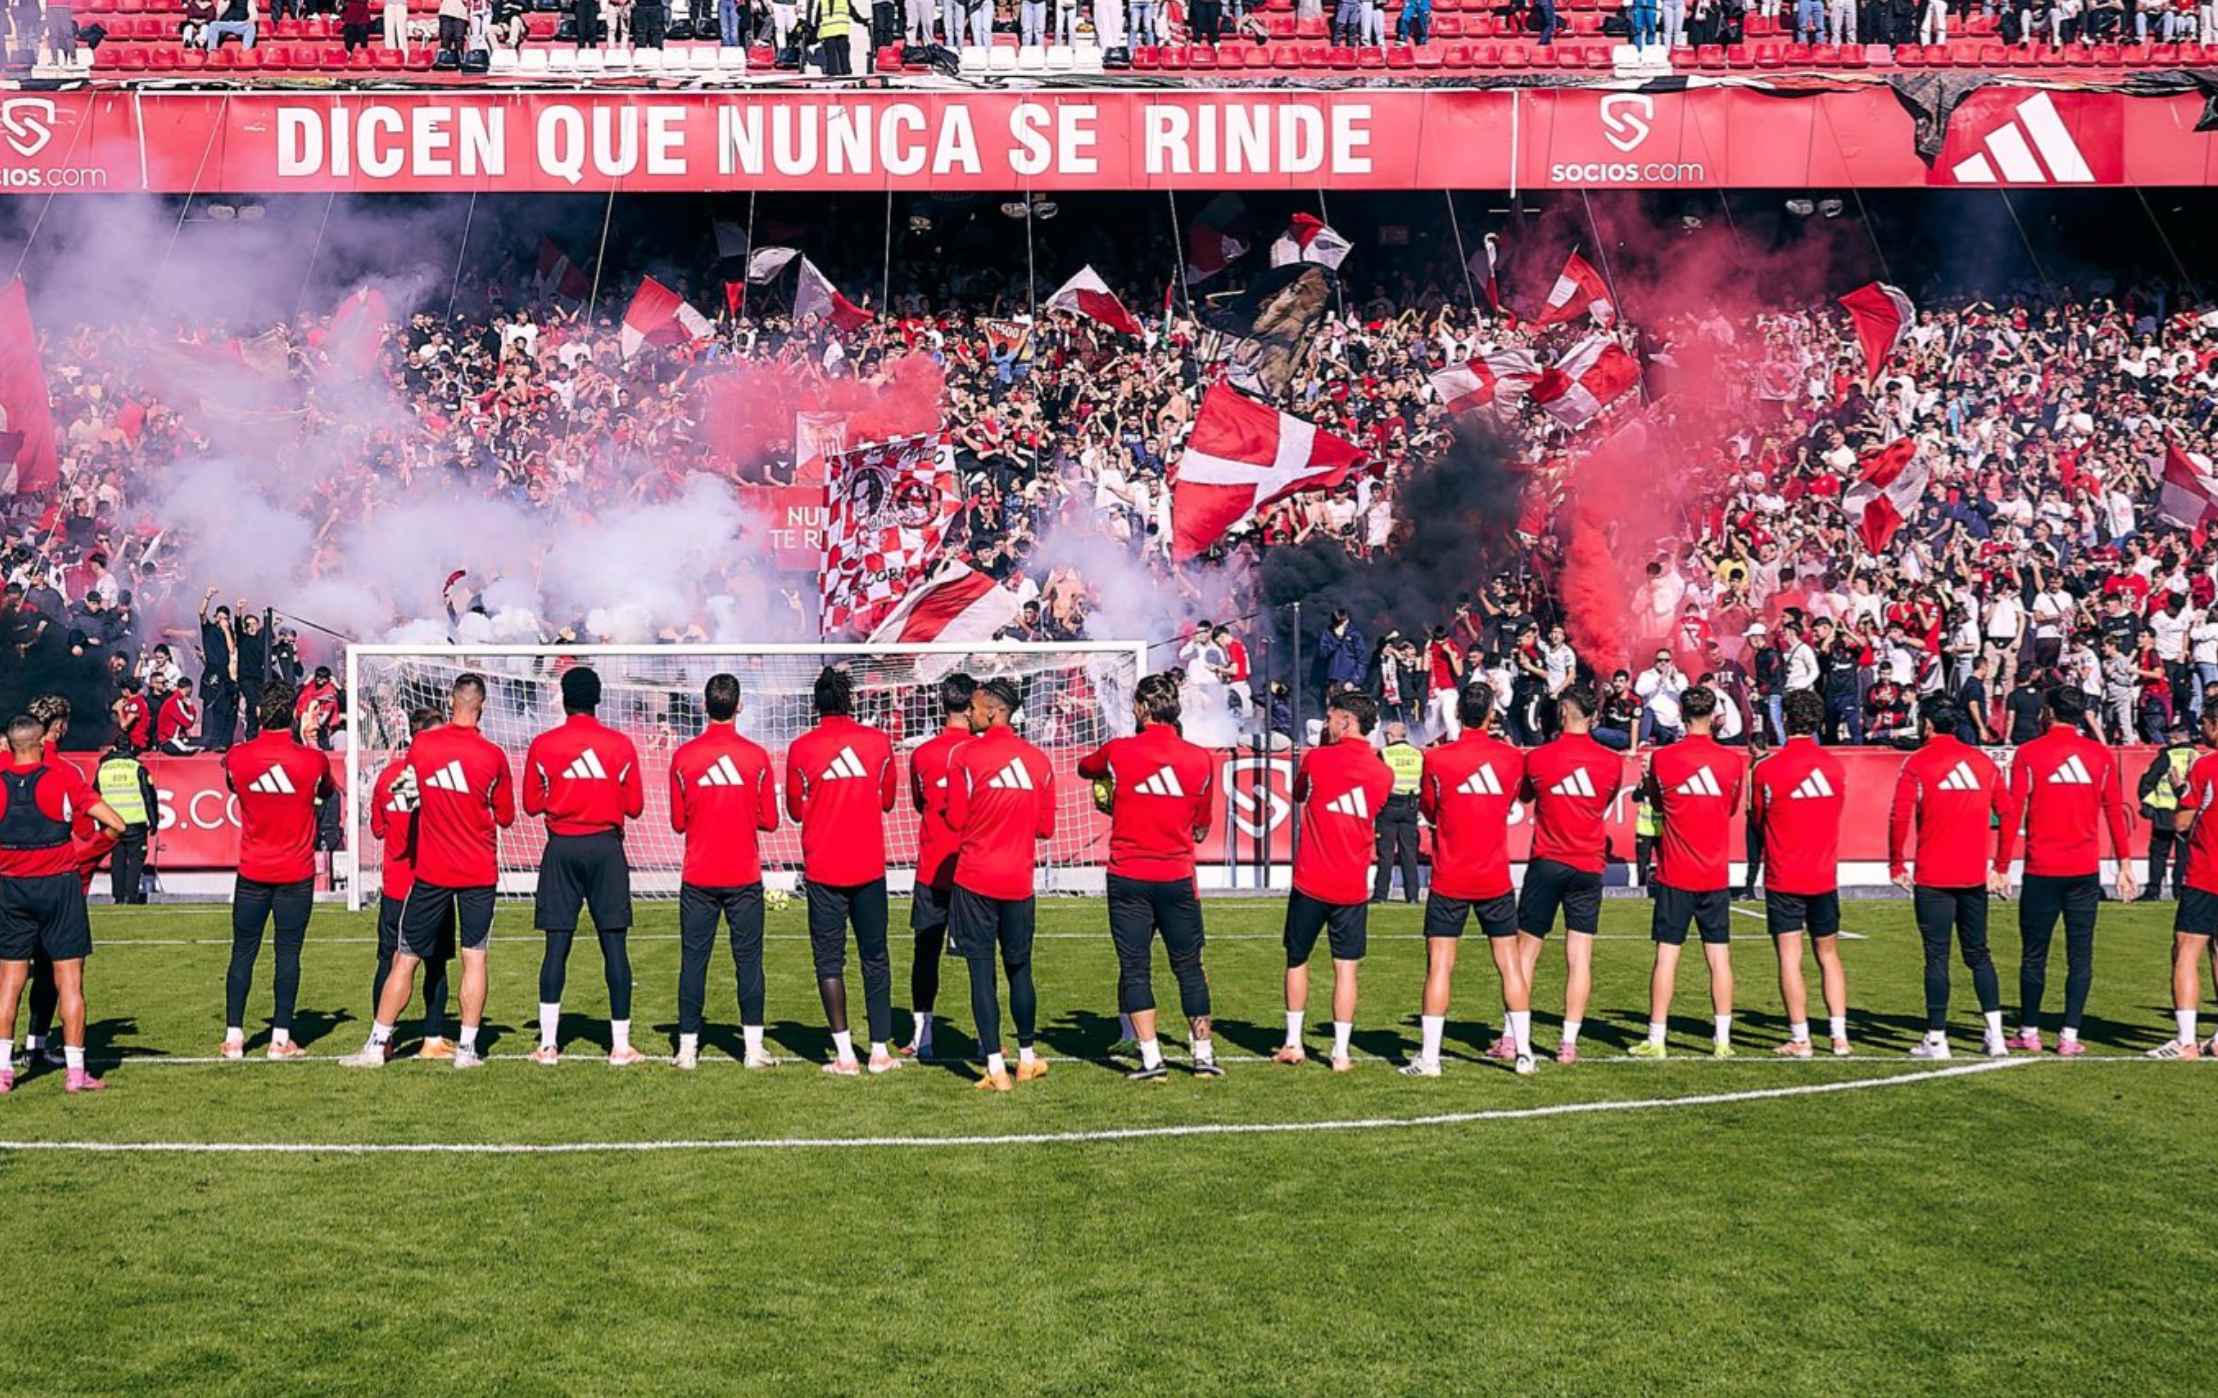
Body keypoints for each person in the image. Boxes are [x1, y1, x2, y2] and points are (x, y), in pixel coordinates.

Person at [341, 673, 516, 1071]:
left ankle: (377, 1044)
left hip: (432, 870)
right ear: (482, 706)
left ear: (451, 703)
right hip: (477, 871)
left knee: (406, 957)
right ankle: (467, 1050)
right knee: (475, 958)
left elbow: (401, 798)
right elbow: (505, 816)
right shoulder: (492, 755)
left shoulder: (422, 747)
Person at [1076, 673, 1219, 1081]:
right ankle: (1203, 1056)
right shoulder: (1199, 758)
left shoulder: (1120, 751)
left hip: (1129, 875)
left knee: (1135, 967)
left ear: (1140, 708)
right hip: (1176, 875)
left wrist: (1119, 794)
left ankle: (1152, 1059)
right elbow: (1201, 828)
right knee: (1189, 966)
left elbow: (1086, 767)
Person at [1997, 687, 2135, 1056]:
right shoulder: (2099, 755)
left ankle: (2029, 1030)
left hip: (2042, 869)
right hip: (2083, 871)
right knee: (2081, 954)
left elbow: (2012, 813)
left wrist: (2001, 865)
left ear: (2047, 712)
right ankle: (2069, 1035)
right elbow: (2114, 813)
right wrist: (2124, 864)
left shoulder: (2029, 753)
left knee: (2034, 953)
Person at [521, 667, 647, 1068]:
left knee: (556, 946)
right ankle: (621, 1046)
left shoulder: (544, 744)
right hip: (605, 848)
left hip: (561, 847)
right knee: (615, 946)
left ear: (563, 697)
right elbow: (635, 806)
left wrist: (565, 790)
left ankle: (549, 1045)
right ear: (598, 699)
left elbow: (530, 803)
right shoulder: (620, 745)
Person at [1403, 685, 1529, 1078]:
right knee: (1509, 965)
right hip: (1493, 875)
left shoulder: (1438, 759)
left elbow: (1428, 807)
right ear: (1491, 714)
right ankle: (1524, 1054)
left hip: (1451, 876)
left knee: (1440, 966)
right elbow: (1513, 800)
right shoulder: (1510, 758)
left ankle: (1430, 1058)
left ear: (1457, 715)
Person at [0, 715, 126, 1095]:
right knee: (69, 981)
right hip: (59, 887)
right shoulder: (63, 778)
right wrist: (85, 851)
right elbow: (116, 824)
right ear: (40, 744)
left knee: (9, 984)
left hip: (11, 888)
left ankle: (3, 1073)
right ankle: (75, 1073)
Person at [785, 666, 899, 1076]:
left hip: (823, 869)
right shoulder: (877, 742)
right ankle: (880, 1051)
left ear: (816, 704)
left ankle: (845, 1055)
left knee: (829, 961)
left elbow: (795, 810)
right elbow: (888, 801)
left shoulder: (801, 749)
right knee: (876, 957)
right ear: (849, 701)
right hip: (868, 866)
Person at [944, 677, 1056, 1092]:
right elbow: (1045, 827)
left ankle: (995, 1067)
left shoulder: (965, 756)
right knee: (1020, 968)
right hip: (1019, 882)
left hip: (975, 878)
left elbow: (954, 819)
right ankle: (1027, 1058)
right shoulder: (1039, 761)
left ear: (992, 711)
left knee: (980, 973)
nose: (968, 713)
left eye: (973, 706)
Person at [1274, 690, 1393, 1072]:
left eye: (1330, 718)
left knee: (1297, 958)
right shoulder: (1382, 771)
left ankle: (1294, 1042)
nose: (1325, 725)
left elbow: (1297, 795)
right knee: (1346, 968)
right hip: (1352, 884)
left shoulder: (1319, 759)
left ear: (1345, 721)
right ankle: (1341, 1052)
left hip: (1312, 878)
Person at [667, 673, 780, 1072]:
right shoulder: (756, 757)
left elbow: (678, 822)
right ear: (739, 706)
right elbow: (770, 821)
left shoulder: (683, 757)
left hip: (698, 875)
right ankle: (752, 1050)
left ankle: (686, 1049)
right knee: (749, 961)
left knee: (693, 961)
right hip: (743, 875)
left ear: (703, 706)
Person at [218, 685, 335, 1061]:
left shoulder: (238, 757)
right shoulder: (312, 761)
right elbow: (328, 791)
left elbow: (232, 781)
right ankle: (280, 1039)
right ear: (295, 716)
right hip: (295, 872)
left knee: (243, 951)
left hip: (253, 869)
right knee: (288, 953)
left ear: (257, 714)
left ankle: (234, 1037)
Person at [1629, 687, 1746, 1059]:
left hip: (1675, 873)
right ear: (1714, 715)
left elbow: (1659, 804)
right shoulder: (1731, 761)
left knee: (1666, 955)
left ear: (1681, 713)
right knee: (1719, 958)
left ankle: (1658, 1038)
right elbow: (1729, 808)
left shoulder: (1664, 759)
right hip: (1713, 873)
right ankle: (1723, 1040)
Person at [1888, 698, 2009, 1060]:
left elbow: (1899, 817)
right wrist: (2001, 866)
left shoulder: (1918, 763)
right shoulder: (1982, 762)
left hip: (1934, 875)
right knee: (1979, 954)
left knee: (1936, 956)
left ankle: (1937, 1039)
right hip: (1974, 875)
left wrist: (1896, 863)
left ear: (1927, 725)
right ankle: (1997, 1036)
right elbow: (2008, 810)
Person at [1511, 683, 1623, 1064]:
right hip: (1588, 863)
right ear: (1593, 717)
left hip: (1548, 860)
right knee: (1580, 956)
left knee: (1525, 952)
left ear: (1561, 714)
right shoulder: (1611, 762)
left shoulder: (1540, 757)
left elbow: (1526, 797)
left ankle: (1512, 1037)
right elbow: (1606, 800)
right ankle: (1568, 1043)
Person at [1748, 690, 1851, 1057]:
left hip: (1784, 874)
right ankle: (1839, 1036)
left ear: (1785, 721)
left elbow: (1758, 818)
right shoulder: (1834, 767)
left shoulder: (1768, 769)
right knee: (1829, 954)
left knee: (1789, 958)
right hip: (1823, 875)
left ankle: (1800, 1037)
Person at [366, 706, 454, 1061]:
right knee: (435, 963)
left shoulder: (388, 776)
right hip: (433, 882)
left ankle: (382, 1037)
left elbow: (378, 828)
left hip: (395, 885)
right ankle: (432, 1037)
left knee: (388, 960)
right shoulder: (442, 777)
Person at [904, 673, 974, 1062]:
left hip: (933, 867)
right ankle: (986, 1040)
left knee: (925, 953)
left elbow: (919, 802)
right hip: (971, 869)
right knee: (982, 957)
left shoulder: (922, 754)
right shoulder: (981, 752)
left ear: (940, 704)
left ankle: (923, 1036)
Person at [2149, 705, 2218, 1060]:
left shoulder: (2205, 766)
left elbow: (2183, 822)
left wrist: (2179, 791)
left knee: (2186, 948)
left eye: (2205, 724)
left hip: (2208, 872)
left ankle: (2186, 1040)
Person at [2137, 718, 2198, 901]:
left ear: (2173, 739)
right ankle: (2179, 891)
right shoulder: (2197, 757)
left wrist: (2148, 805)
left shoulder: (2166, 757)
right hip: (2187, 813)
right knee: (2184, 856)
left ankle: (2153, 891)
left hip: (2164, 813)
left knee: (2158, 854)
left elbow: (2147, 782)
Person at [93, 732, 155, 906]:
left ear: (114, 747)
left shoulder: (103, 768)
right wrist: (154, 820)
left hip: (112, 822)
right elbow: (148, 796)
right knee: (136, 860)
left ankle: (118, 897)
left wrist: (100, 822)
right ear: (131, 748)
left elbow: (94, 796)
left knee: (117, 859)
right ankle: (131, 896)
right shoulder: (137, 767)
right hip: (135, 822)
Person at [1371, 720, 1422, 905]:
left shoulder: (1385, 753)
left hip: (1389, 805)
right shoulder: (1417, 754)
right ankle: (1413, 896)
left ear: (1390, 736)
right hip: (1410, 805)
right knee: (1409, 853)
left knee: (1386, 853)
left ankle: (1381, 895)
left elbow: (1377, 780)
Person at [156, 676, 200, 755]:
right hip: (168, 740)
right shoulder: (175, 701)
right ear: (188, 688)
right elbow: (188, 722)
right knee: (191, 752)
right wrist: (190, 706)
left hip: (173, 739)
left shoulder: (175, 700)